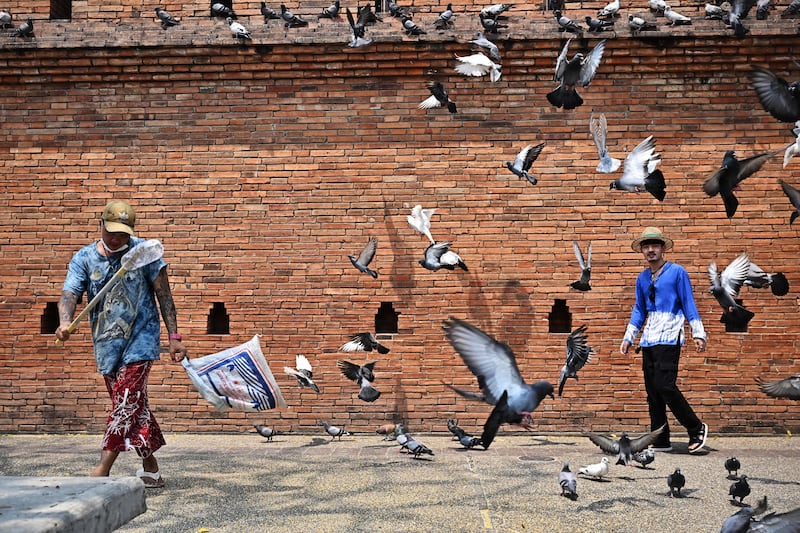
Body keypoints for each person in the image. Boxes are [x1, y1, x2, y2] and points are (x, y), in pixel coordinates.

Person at [55, 200, 187, 487]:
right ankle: (151, 468)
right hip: (107, 346)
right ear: (100, 224)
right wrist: (65, 321)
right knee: (133, 407)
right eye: (111, 232)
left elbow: (165, 296)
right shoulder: (85, 258)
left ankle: (102, 469)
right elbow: (70, 293)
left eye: (122, 234)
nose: (116, 239)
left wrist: (174, 338)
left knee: (125, 403)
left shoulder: (145, 253)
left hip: (141, 340)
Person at [619, 227, 708, 454]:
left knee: (665, 385)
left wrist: (698, 333)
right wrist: (629, 337)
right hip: (649, 339)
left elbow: (688, 302)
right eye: (646, 246)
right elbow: (639, 309)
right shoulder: (642, 278)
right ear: (642, 250)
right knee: (653, 391)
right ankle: (660, 438)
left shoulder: (677, 272)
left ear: (663, 248)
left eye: (655, 245)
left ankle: (696, 428)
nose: (650, 250)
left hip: (670, 335)